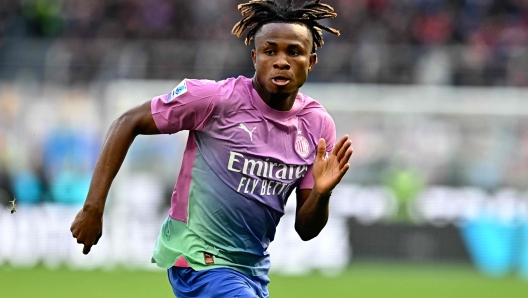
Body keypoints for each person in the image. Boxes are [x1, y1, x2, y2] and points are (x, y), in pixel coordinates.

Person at [70, 0, 353, 297]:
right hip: (198, 261)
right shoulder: (216, 99)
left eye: (294, 52)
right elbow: (128, 121)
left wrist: (322, 193)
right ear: (255, 57)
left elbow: (306, 230)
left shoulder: (317, 125)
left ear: (311, 62)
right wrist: (93, 208)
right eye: (270, 51)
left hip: (251, 270)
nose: (281, 61)